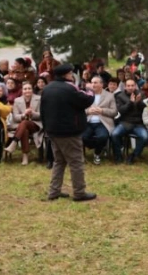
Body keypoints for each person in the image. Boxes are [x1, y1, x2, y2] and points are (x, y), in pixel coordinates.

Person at [40, 63, 95, 201]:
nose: (72, 75)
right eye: (71, 73)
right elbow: (86, 100)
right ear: (66, 75)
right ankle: (79, 192)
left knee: (59, 161)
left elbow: (42, 110)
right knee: (76, 162)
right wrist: (90, 90)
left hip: (52, 131)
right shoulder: (69, 88)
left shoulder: (47, 88)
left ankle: (54, 191)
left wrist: (47, 128)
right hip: (69, 131)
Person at [112, 79, 148, 165]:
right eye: (128, 86)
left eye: (132, 85)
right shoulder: (120, 96)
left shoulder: (141, 94)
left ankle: (133, 156)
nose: (130, 87)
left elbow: (146, 109)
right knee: (114, 134)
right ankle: (118, 156)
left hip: (138, 123)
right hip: (125, 122)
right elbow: (121, 110)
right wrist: (130, 102)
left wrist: (139, 102)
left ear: (135, 86)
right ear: (125, 87)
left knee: (145, 137)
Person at [8, 82, 42, 165]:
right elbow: (15, 117)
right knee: (25, 129)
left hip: (35, 124)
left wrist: (32, 113)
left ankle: (14, 142)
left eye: (29, 88)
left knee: (25, 123)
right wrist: (24, 115)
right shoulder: (17, 100)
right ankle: (25, 157)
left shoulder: (39, 98)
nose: (27, 90)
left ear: (32, 89)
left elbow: (42, 114)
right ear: (22, 90)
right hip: (22, 125)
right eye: (25, 89)